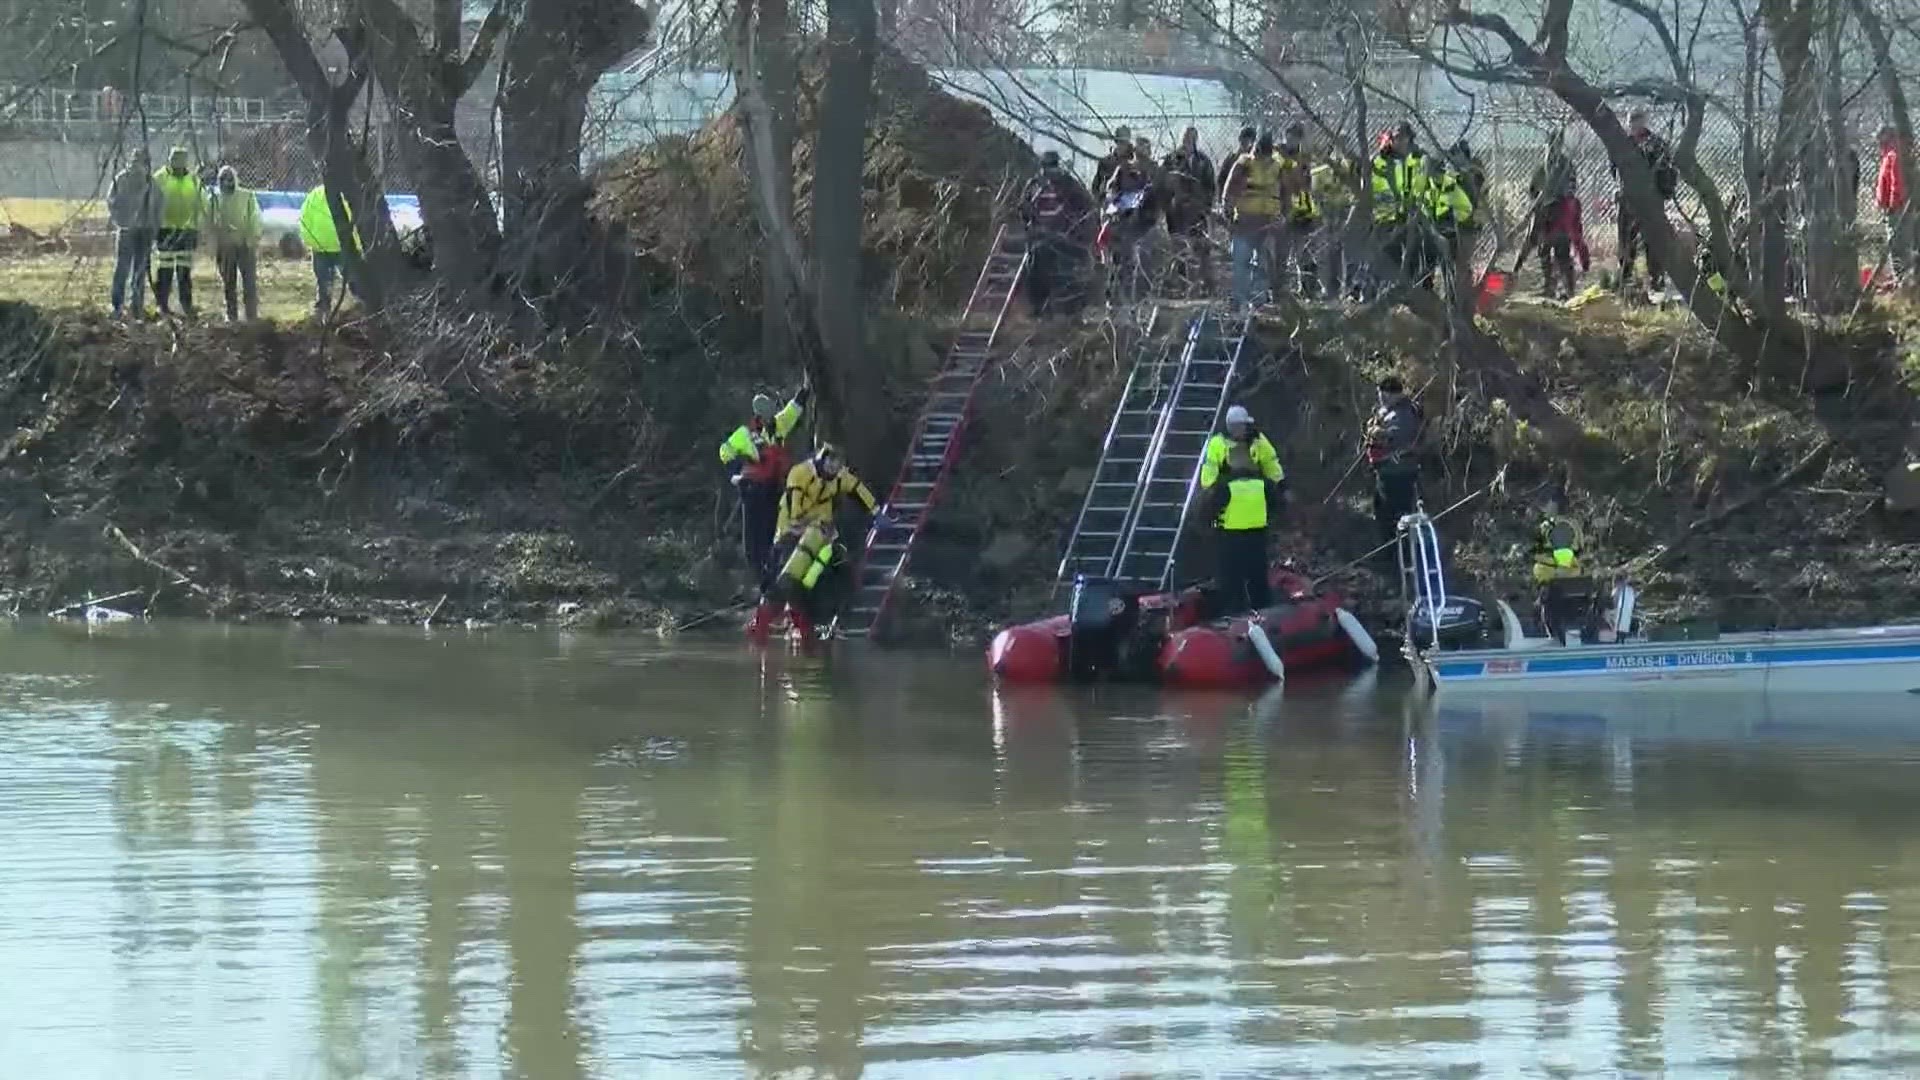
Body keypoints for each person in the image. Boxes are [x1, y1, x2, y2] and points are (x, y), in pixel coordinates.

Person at [770, 443, 886, 640]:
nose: (833, 467)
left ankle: (832, 620)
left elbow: (857, 488)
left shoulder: (839, 477)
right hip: (790, 533)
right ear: (821, 459)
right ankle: (791, 618)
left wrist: (876, 512)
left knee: (837, 568)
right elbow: (796, 514)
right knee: (791, 579)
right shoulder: (800, 474)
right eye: (830, 462)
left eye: (837, 463)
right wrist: (816, 523)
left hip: (820, 535)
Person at [722, 384, 811, 603]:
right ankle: (764, 585)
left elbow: (792, 412)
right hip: (752, 492)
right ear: (758, 415)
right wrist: (742, 464)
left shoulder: (778, 425)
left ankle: (773, 584)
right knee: (752, 544)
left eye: (771, 411)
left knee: (773, 537)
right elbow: (725, 451)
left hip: (772, 490)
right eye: (766, 412)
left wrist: (804, 392)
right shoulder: (744, 434)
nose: (771, 416)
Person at [1199, 404, 1286, 613]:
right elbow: (1209, 475)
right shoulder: (1219, 446)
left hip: (1235, 531)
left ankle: (1239, 612)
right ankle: (1258, 611)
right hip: (1249, 529)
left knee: (1233, 577)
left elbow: (1272, 465)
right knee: (1252, 575)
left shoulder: (1259, 445)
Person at [1019, 150, 1095, 317]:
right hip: (1040, 236)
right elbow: (1023, 208)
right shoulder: (1035, 185)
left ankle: (1072, 312)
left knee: (1067, 271)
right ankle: (1039, 309)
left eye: (1052, 166)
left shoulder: (1069, 184)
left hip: (1065, 236)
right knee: (1035, 264)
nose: (1049, 170)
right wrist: (1031, 224)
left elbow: (1086, 206)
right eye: (1046, 166)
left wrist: (1075, 227)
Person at [1614, 109, 1679, 298]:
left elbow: (1668, 171)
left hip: (1651, 200)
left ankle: (1656, 280)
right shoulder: (1623, 144)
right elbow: (1615, 169)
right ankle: (1626, 279)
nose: (1633, 125)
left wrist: (1662, 193)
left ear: (1644, 122)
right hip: (1628, 199)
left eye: (1637, 121)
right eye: (1631, 122)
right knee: (1626, 240)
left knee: (1653, 241)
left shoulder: (1656, 144)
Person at [1224, 131, 1282, 308]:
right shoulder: (1244, 164)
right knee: (1241, 260)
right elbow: (1229, 190)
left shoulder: (1277, 167)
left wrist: (1282, 216)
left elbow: (1285, 192)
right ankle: (1239, 298)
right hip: (1244, 220)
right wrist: (1228, 214)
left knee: (1263, 262)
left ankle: (1259, 299)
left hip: (1267, 221)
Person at [1369, 122, 1429, 292]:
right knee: (1388, 254)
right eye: (1396, 138)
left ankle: (1417, 289)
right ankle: (1382, 290)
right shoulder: (1383, 159)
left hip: (1412, 213)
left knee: (1415, 252)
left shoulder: (1418, 158)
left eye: (1403, 137)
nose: (1400, 141)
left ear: (1410, 138)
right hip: (1387, 214)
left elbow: (1422, 184)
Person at [1366, 375, 1423, 545]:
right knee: (1382, 512)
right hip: (1385, 472)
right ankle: (1387, 550)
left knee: (1395, 516)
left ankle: (1397, 554)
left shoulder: (1405, 413)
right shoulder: (1386, 412)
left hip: (1400, 473)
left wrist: (1377, 432)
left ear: (1394, 394)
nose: (1381, 399)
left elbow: (1397, 438)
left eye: (1384, 396)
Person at [1160, 126, 1217, 296]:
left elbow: (1210, 187)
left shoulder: (1203, 161)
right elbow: (1162, 186)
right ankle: (1178, 288)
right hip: (1176, 215)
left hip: (1197, 214)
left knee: (1202, 251)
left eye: (1192, 139)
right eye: (1185, 138)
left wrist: (1206, 207)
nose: (1188, 142)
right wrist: (1167, 207)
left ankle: (1206, 287)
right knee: (1178, 251)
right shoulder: (1171, 160)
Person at [1527, 131, 1581, 299]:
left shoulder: (1565, 164)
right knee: (1543, 250)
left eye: (1555, 145)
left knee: (1562, 251)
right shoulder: (1541, 166)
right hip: (1544, 212)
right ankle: (1549, 285)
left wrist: (1561, 199)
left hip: (1560, 211)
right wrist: (1537, 199)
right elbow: (1532, 188)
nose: (1551, 149)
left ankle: (1569, 289)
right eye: (1550, 145)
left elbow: (1572, 187)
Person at [151, 146, 203, 317]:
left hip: (187, 230)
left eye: (180, 160)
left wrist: (198, 226)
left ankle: (186, 305)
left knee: (184, 270)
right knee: (165, 268)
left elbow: (201, 204)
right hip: (165, 229)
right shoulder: (159, 178)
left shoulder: (194, 180)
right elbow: (152, 202)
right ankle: (162, 304)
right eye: (174, 159)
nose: (176, 164)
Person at [207, 166, 262, 322]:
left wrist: (251, 239)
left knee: (249, 282)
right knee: (229, 283)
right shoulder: (214, 199)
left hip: (245, 245)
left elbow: (255, 219)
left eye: (230, 179)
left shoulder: (247, 196)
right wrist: (215, 243)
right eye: (224, 179)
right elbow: (209, 222)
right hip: (225, 247)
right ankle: (232, 315)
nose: (227, 183)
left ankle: (251, 316)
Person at [107, 149, 156, 320]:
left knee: (137, 270)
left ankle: (133, 306)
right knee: (126, 268)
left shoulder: (150, 182)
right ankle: (121, 305)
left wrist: (152, 225)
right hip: (129, 229)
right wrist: (121, 219)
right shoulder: (123, 179)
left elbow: (157, 205)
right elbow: (112, 201)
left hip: (142, 229)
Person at [1531, 492, 1586, 641]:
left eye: (1546, 502)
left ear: (1555, 505)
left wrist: (1554, 583)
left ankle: (1560, 644)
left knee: (1556, 625)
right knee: (1553, 623)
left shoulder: (1561, 527)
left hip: (1560, 586)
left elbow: (1564, 559)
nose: (1542, 506)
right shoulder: (1555, 524)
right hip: (1557, 584)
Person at [1276, 123, 1321, 298]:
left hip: (1302, 210)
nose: (1292, 140)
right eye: (1290, 136)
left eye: (1296, 137)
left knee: (1305, 251)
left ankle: (1308, 289)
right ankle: (1280, 290)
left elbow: (1306, 183)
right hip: (1281, 208)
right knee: (1281, 252)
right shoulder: (1277, 154)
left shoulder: (1304, 157)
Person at [301, 183, 354, 318]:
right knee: (324, 280)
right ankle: (323, 312)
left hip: (339, 246)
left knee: (351, 279)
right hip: (326, 247)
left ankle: (358, 308)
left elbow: (304, 218)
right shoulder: (316, 195)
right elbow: (305, 218)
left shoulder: (348, 193)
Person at [1427, 153, 1475, 299]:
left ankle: (1452, 296)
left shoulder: (1450, 185)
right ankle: (1431, 292)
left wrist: (1455, 218)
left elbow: (1466, 208)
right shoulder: (1428, 185)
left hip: (1452, 230)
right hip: (1435, 229)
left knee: (1450, 265)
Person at [1878, 125, 1912, 284]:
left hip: (1896, 209)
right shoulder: (1887, 154)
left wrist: (1893, 205)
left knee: (1898, 244)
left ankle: (1903, 280)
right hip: (1890, 208)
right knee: (1895, 244)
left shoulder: (1894, 155)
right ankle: (1901, 279)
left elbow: (1896, 184)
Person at [1091, 127, 1133, 201]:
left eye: (1124, 142)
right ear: (1116, 142)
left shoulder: (1135, 162)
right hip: (1109, 204)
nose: (1122, 145)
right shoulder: (1106, 162)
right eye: (1119, 142)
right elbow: (1096, 187)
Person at [1219, 126, 1256, 203]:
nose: (1245, 143)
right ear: (1240, 140)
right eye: (1243, 140)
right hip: (1231, 199)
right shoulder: (1231, 159)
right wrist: (1221, 198)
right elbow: (1221, 179)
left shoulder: (1255, 161)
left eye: (1248, 140)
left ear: (1252, 143)